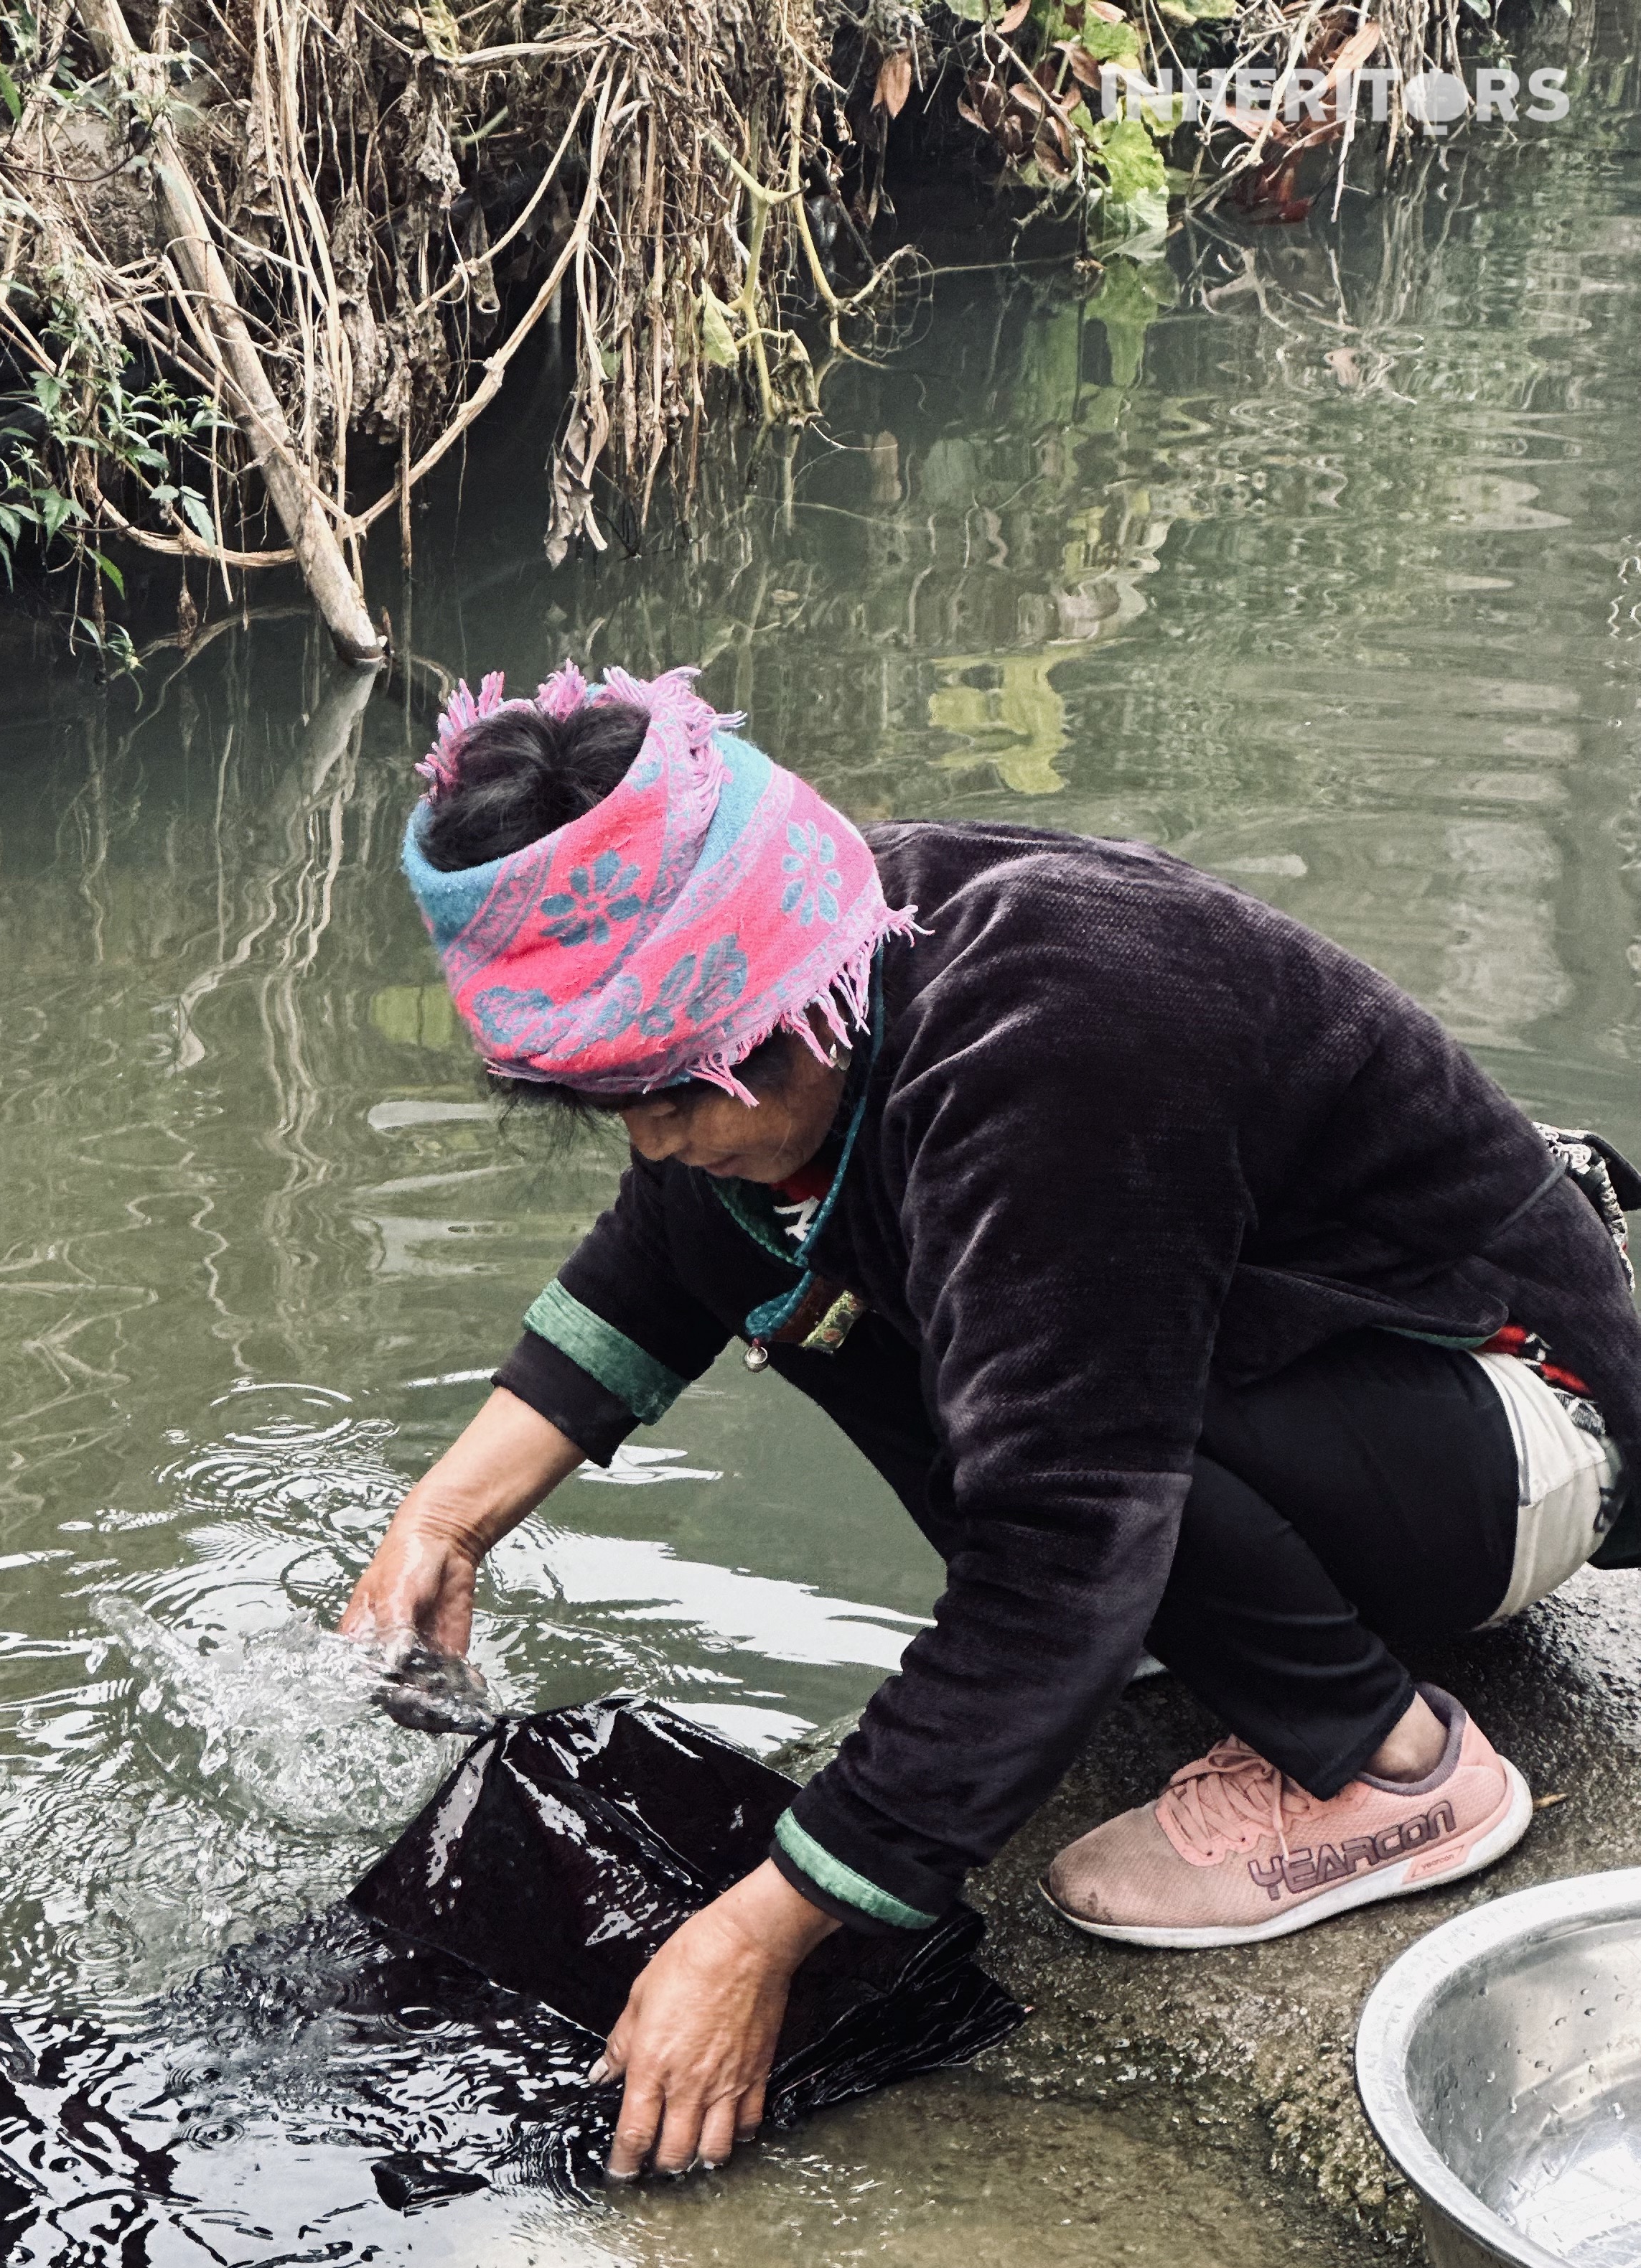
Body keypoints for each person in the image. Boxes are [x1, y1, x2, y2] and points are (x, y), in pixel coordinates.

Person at [343, 661, 1641, 2183]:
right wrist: (447, 1519)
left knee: (1013, 1415)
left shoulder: (1051, 1049)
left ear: (780, 994)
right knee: (785, 1252)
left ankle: (1387, 1768)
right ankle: (1264, 1624)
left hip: (1509, 1416)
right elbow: (670, 1243)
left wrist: (767, 1926)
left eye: (677, 1087)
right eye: (615, 1097)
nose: (647, 1134)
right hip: (1324, 1385)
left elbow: (1064, 1537)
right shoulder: (838, 939)